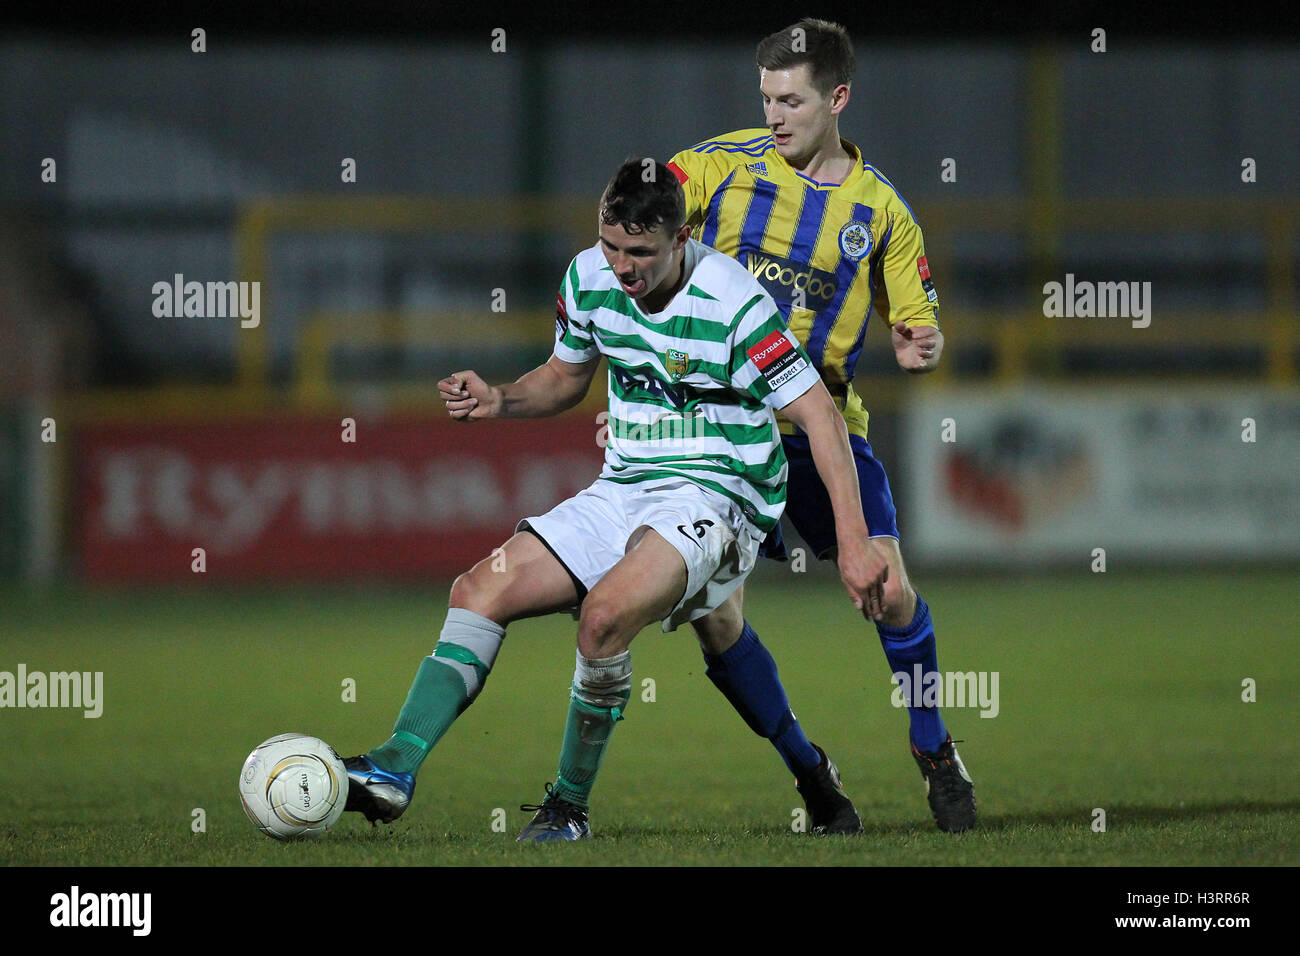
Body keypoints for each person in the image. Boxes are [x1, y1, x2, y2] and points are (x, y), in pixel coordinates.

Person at [342, 157, 888, 840]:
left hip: (722, 492)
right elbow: (564, 377)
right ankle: (394, 769)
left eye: (641, 252)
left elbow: (820, 416)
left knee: (603, 619)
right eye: (611, 246)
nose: (623, 267)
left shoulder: (733, 300)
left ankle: (567, 808)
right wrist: (501, 399)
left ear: (682, 238)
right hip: (627, 483)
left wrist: (855, 543)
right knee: (478, 591)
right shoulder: (589, 278)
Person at [665, 17, 977, 832]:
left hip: (820, 435)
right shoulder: (720, 167)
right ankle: (812, 772)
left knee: (888, 589)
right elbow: (645, 202)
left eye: (792, 99)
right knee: (714, 617)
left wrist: (925, 343)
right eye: (766, 96)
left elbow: (918, 323)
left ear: (836, 98)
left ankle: (933, 745)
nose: (774, 114)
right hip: (715, 438)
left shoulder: (883, 213)